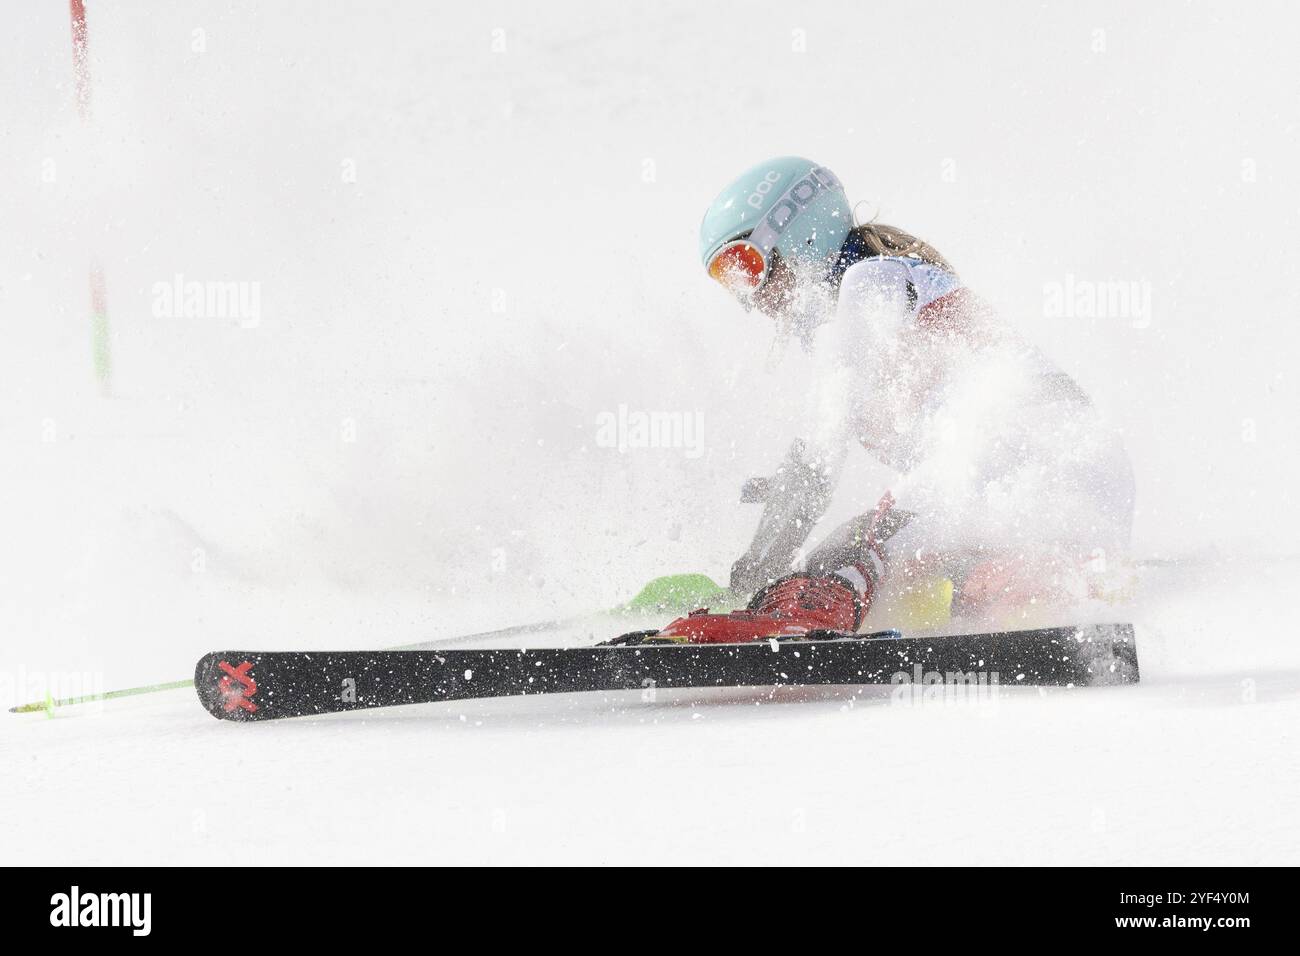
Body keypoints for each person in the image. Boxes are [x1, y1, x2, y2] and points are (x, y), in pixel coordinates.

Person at [655, 156, 1134, 643]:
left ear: (801, 234)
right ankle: (1020, 580)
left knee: (862, 541)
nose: (750, 297)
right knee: (912, 544)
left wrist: (759, 574)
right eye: (728, 280)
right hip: (1076, 489)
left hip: (1033, 461)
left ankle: (805, 612)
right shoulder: (896, 285)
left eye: (747, 266)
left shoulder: (869, 283)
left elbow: (824, 449)